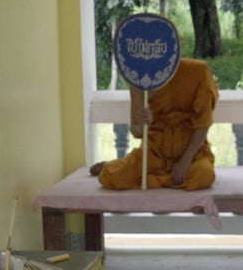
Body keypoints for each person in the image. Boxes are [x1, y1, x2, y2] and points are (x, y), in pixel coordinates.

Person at [94, 58, 219, 191]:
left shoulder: (197, 71)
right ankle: (165, 178)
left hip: (191, 153)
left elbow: (203, 125)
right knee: (111, 176)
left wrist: (185, 162)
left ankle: (156, 178)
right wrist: (143, 123)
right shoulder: (140, 77)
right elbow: (136, 132)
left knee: (204, 175)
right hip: (155, 153)